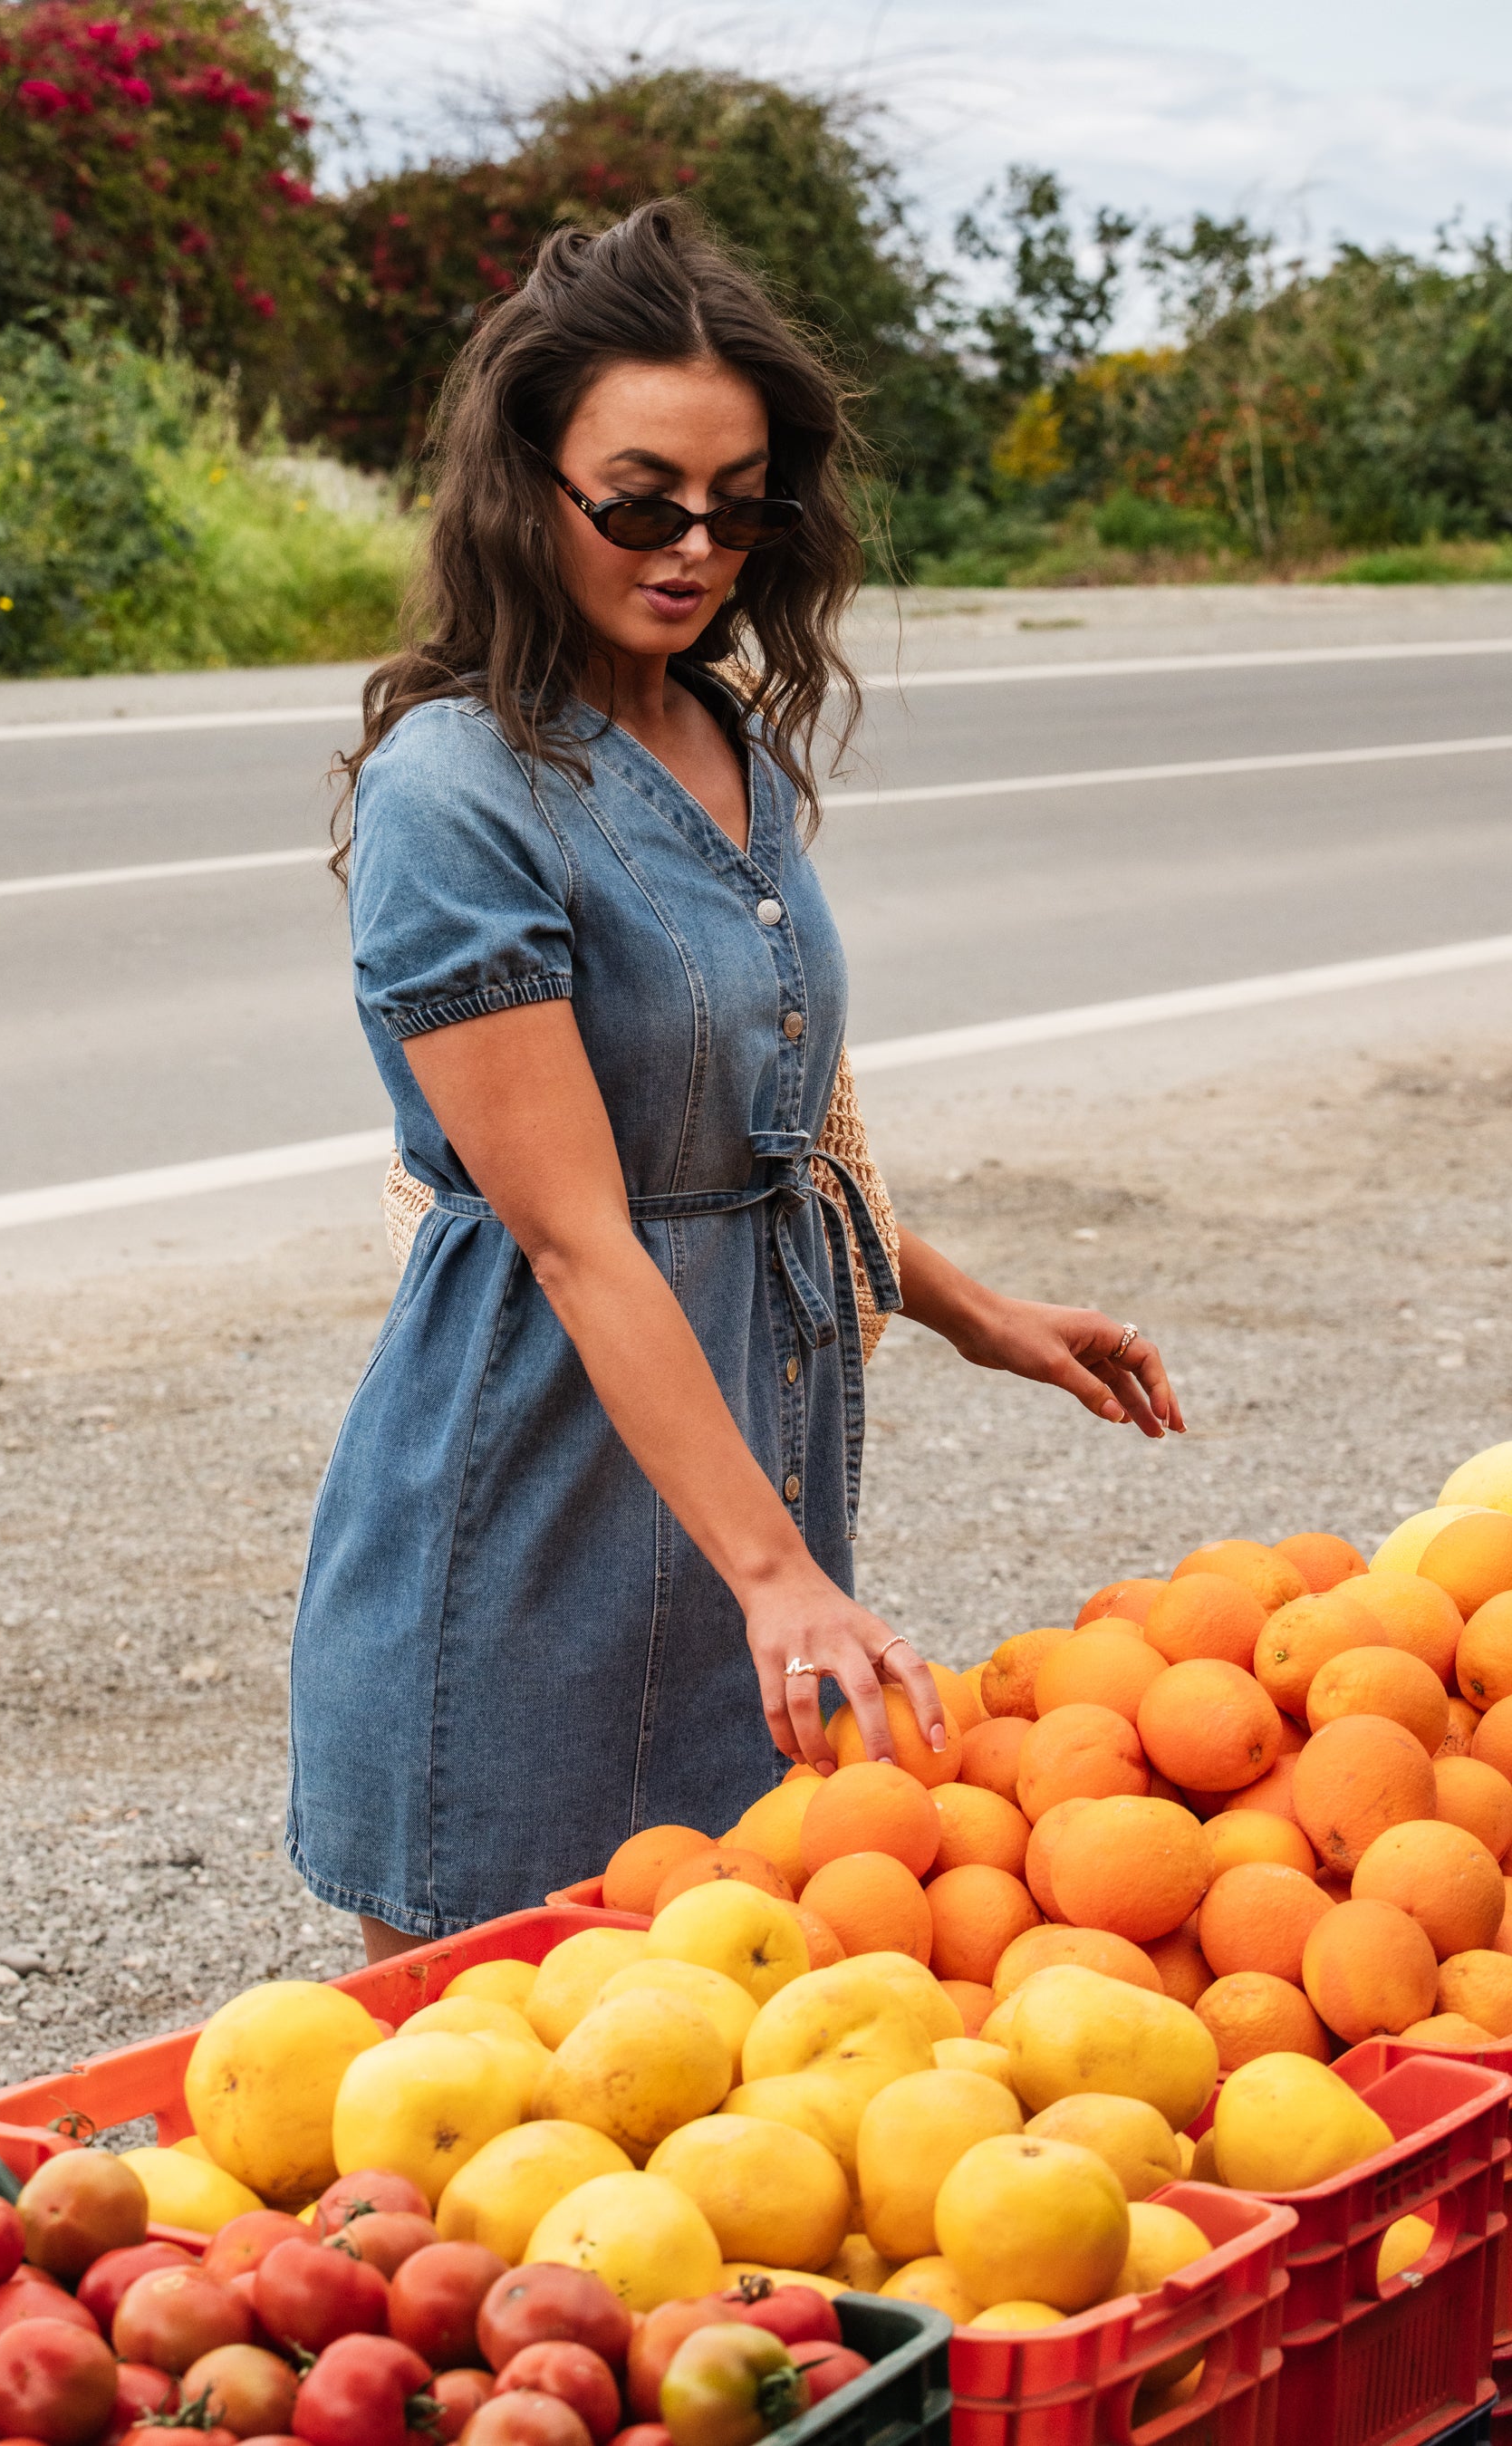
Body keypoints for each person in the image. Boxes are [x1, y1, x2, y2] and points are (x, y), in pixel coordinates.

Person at [285, 201, 1183, 1961]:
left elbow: (744, 1149)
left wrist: (965, 1307)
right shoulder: (456, 792)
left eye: (741, 502)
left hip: (744, 1495)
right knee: (507, 2090)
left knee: (728, 2062)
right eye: (640, 500)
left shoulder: (725, 739)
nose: (696, 547)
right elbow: (575, 1234)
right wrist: (779, 1577)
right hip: (537, 1509)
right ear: (523, 485)